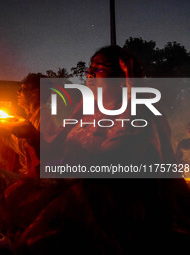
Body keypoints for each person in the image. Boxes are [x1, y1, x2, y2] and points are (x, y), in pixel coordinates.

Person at [13, 46, 189, 254]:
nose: (90, 73)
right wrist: (33, 134)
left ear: (122, 77)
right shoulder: (85, 113)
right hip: (76, 187)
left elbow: (116, 163)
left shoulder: (140, 114)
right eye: (91, 66)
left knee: (83, 197)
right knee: (19, 192)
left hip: (120, 205)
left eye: (101, 67)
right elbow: (58, 150)